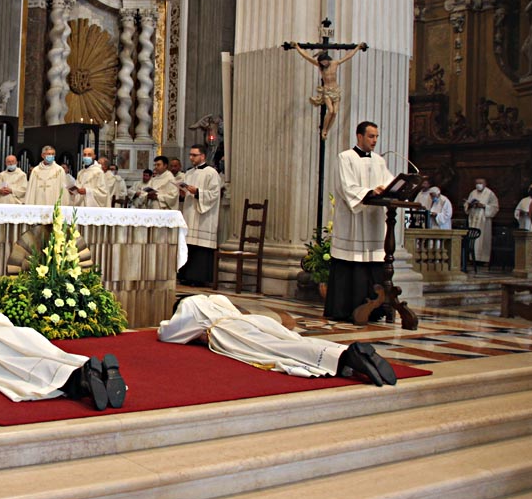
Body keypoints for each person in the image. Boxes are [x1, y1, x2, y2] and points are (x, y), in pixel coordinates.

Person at [159, 295, 397, 386]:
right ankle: (342, 351)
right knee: (292, 339)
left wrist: (169, 323)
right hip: (255, 321)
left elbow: (169, 334)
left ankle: (345, 357)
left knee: (280, 350)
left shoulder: (189, 303)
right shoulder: (215, 298)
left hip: (228, 331)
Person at [325, 121, 394, 323]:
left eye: (376, 137)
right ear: (360, 136)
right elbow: (346, 187)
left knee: (374, 263)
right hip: (353, 221)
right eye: (371, 136)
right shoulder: (345, 158)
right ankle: (345, 310)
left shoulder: (379, 161)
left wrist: (388, 189)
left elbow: (389, 182)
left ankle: (375, 310)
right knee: (351, 263)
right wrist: (369, 192)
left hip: (373, 222)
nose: (374, 140)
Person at [289, 41, 367, 140]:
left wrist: (358, 47)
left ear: (328, 59)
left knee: (335, 112)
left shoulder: (335, 63)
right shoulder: (320, 66)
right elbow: (307, 56)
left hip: (335, 90)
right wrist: (297, 47)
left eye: (325, 62)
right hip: (327, 91)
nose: (324, 63)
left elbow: (348, 56)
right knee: (330, 110)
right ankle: (324, 129)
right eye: (322, 62)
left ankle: (327, 131)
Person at [177, 144, 222, 286]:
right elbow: (186, 194)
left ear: (202, 156)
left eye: (194, 155)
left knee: (200, 248)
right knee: (189, 245)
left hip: (204, 217)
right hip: (190, 213)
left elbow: (214, 194)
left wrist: (197, 192)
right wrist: (183, 193)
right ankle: (186, 276)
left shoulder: (211, 173)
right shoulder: (189, 173)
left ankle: (199, 278)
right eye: (190, 155)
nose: (191, 158)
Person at [464, 178, 499, 264]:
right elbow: (467, 204)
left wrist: (483, 206)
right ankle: (472, 258)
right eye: (477, 183)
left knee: (483, 239)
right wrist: (470, 205)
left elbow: (495, 207)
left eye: (480, 183)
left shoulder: (490, 193)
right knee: (473, 239)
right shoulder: (473, 193)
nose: (478, 185)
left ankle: (484, 259)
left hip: (484, 220)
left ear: (485, 184)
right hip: (473, 218)